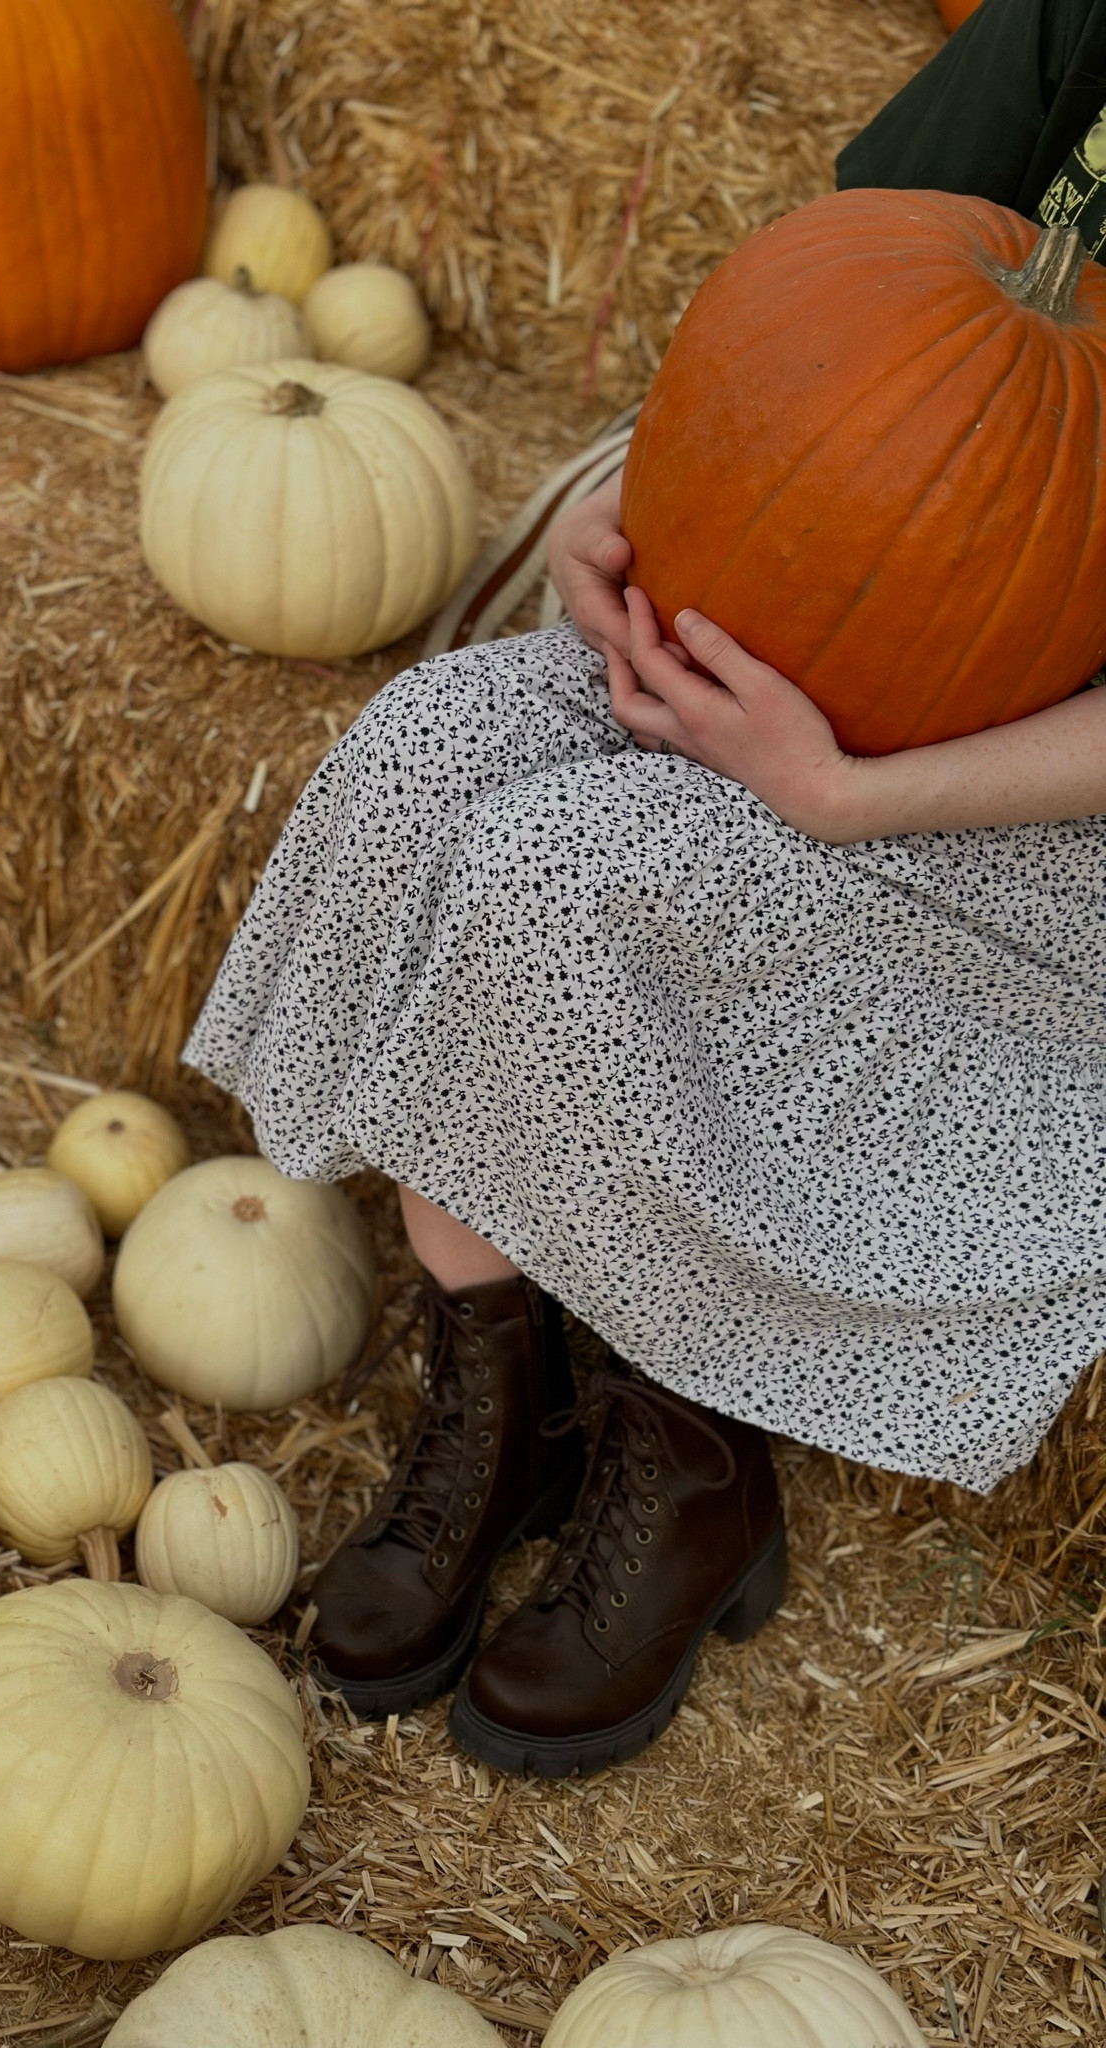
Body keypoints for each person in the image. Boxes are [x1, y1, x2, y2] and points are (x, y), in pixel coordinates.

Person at [183, 0, 1106, 1779]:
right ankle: (506, 1393)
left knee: (568, 878)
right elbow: (858, 311)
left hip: (1036, 795)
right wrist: (666, 510)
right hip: (876, 670)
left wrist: (855, 794)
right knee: (424, 757)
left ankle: (686, 1464)